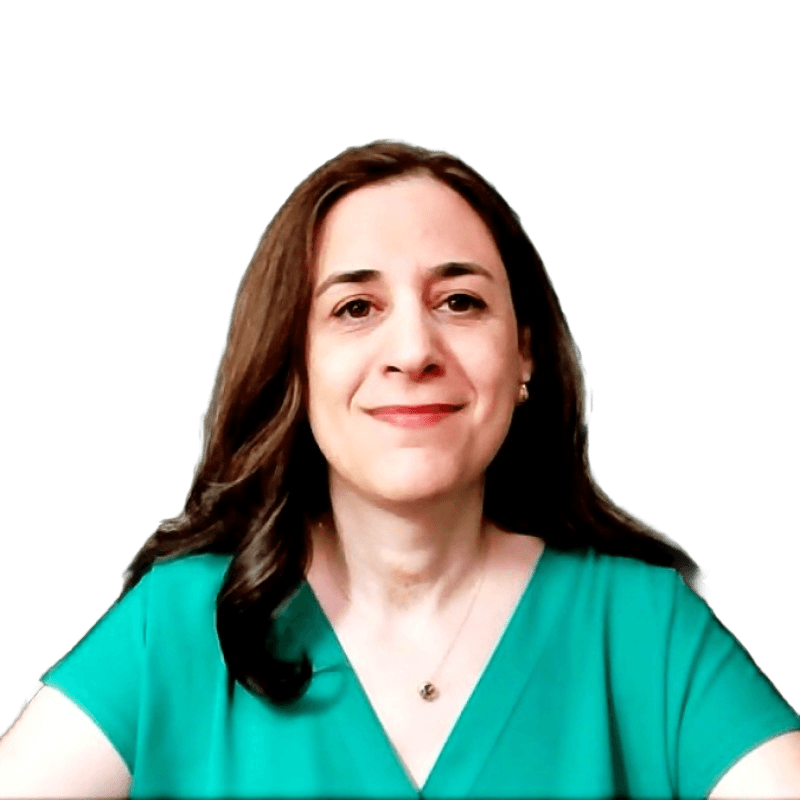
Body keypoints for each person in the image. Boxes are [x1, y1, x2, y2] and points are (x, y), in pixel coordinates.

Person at [0, 139, 798, 799]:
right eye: (355, 308)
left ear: (524, 355)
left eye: (460, 302)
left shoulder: (643, 627)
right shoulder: (177, 625)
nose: (414, 351)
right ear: (294, 364)